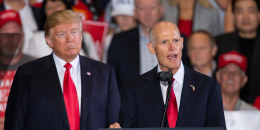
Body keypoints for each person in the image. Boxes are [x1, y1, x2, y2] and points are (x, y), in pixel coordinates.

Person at [4, 10, 120, 130]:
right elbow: (15, 123)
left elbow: (114, 122)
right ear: (49, 41)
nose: (70, 39)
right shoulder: (28, 74)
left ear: (80, 36)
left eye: (74, 32)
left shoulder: (104, 73)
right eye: (62, 34)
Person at [117, 21, 226, 128]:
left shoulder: (208, 87)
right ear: (151, 48)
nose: (172, 47)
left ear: (182, 43)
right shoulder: (135, 89)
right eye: (164, 42)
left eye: (175, 40)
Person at [215, 0, 260, 103]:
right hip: (227, 109)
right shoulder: (219, 44)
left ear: (258, 14)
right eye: (240, 11)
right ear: (233, 15)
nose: (245, 17)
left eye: (251, 11)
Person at [0, 10, 35, 130]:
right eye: (5, 34)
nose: (10, 39)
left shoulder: (39, 67)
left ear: (23, 36)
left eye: (15, 34)